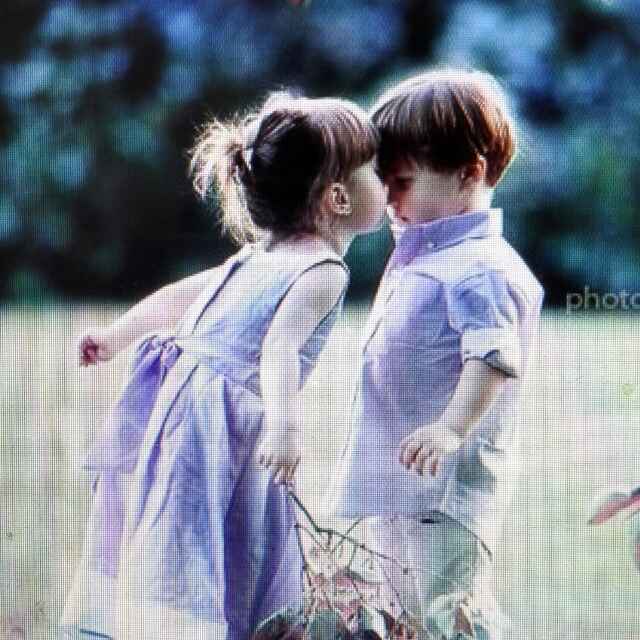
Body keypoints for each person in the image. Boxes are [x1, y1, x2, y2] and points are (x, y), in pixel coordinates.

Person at [60, 91, 387, 640]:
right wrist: (284, 423)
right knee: (219, 541)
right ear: (337, 197)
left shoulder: (261, 254)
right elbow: (279, 346)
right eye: (373, 170)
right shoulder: (324, 271)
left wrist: (117, 337)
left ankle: (175, 624)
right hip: (225, 429)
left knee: (186, 534)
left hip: (188, 416)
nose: (386, 179)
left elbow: (183, 295)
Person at [327, 69, 544, 638]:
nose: (387, 198)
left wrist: (451, 427)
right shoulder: (427, 256)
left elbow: (493, 355)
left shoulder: (480, 267)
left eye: (402, 182)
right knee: (398, 614)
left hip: (444, 493)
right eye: (383, 182)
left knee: (445, 614)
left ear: (470, 172)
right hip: (400, 484)